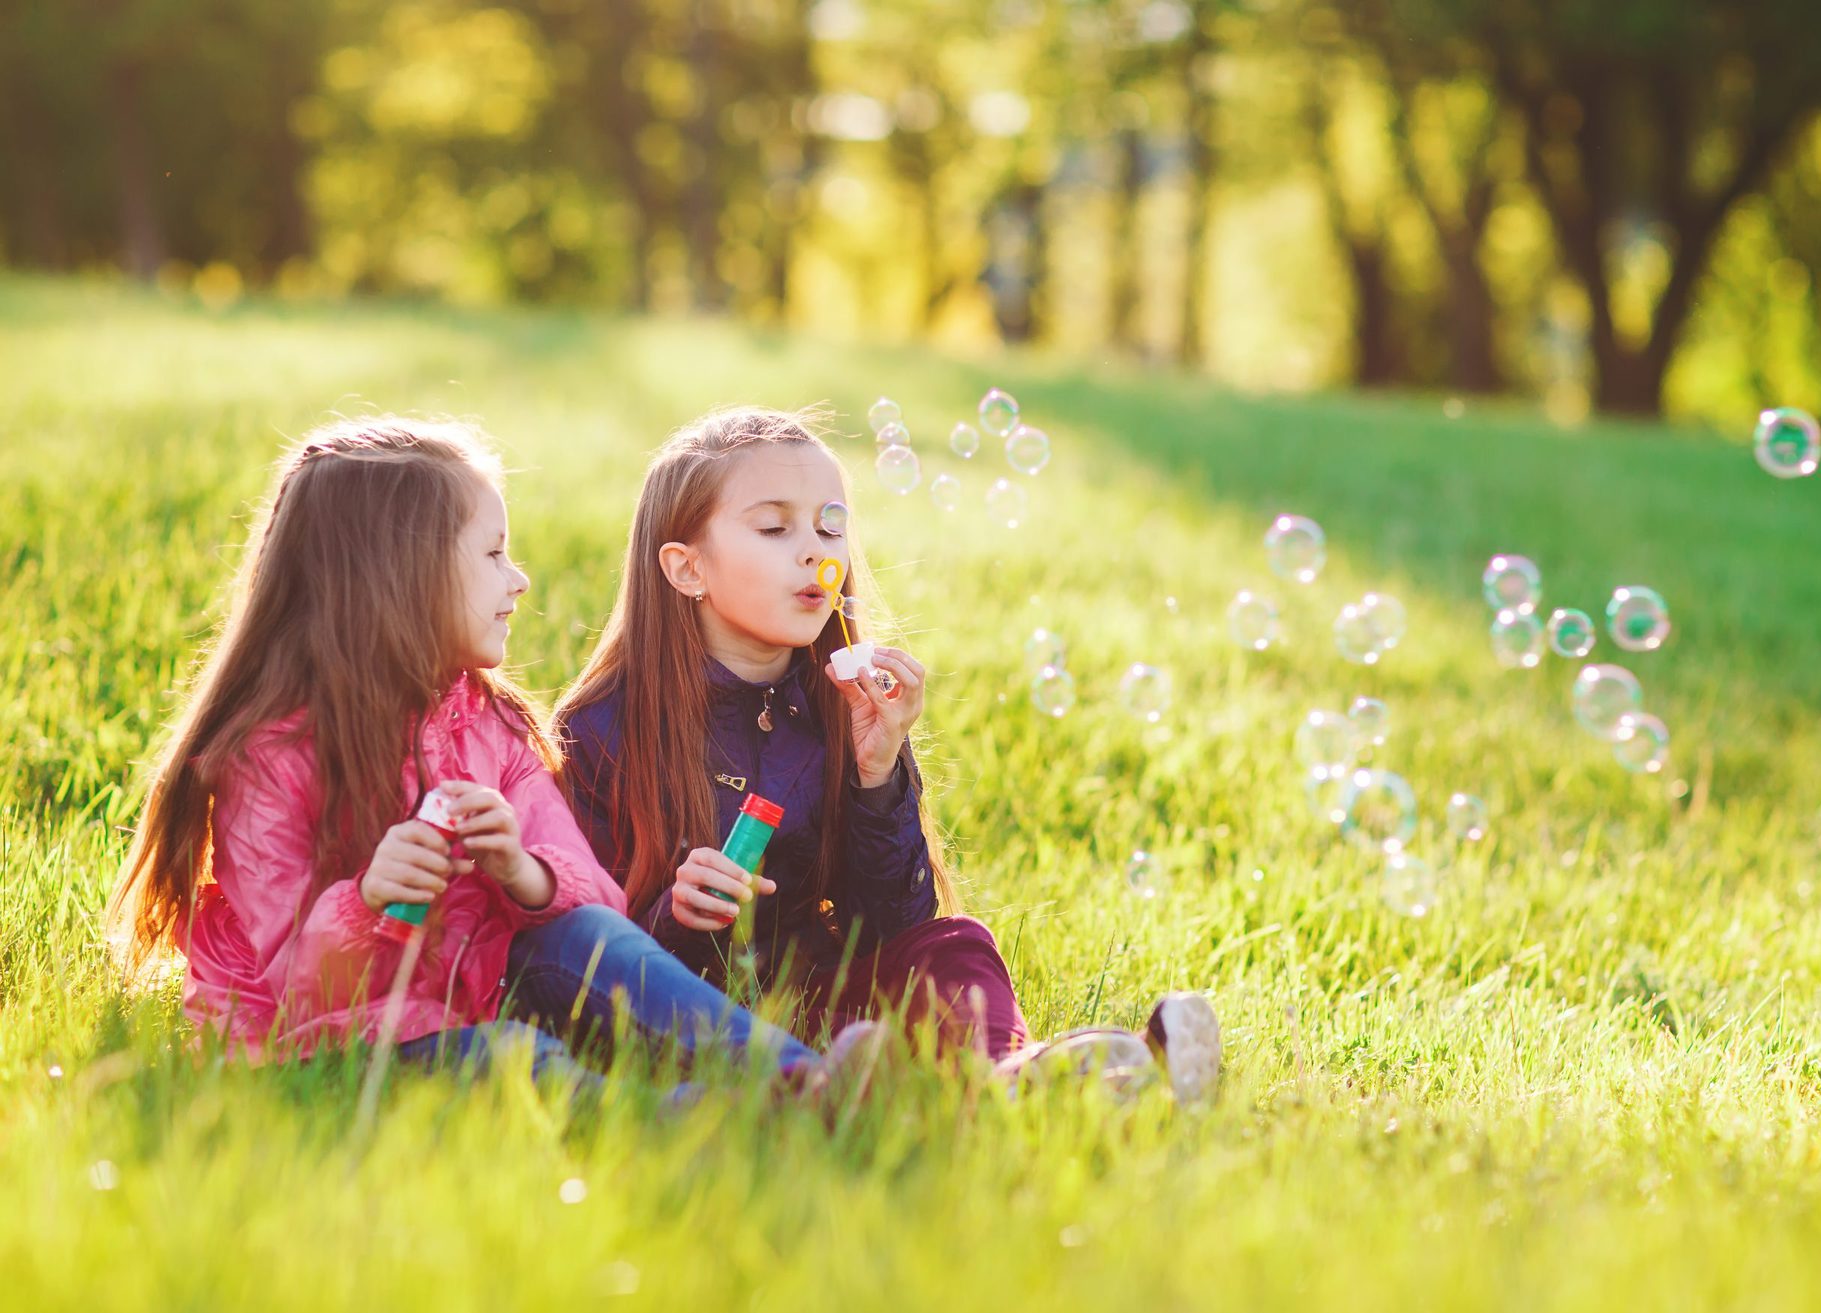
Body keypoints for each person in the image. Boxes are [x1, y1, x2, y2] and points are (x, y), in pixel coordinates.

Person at [106, 417, 876, 1104]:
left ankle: (803, 1080)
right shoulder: (268, 760)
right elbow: (293, 988)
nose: (520, 579)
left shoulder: (491, 725)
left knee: (581, 940)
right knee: (514, 1057)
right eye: (494, 554)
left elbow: (595, 900)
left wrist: (521, 868)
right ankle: (692, 1118)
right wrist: (368, 899)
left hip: (473, 989)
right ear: (394, 578)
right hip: (327, 1041)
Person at [553, 406, 1221, 1104]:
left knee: (956, 944)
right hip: (705, 1022)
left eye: (830, 524)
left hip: (832, 1007)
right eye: (776, 527)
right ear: (687, 568)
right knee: (854, 1045)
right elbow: (578, 957)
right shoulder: (603, 727)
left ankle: (1011, 1079)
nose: (816, 550)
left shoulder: (837, 702)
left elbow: (894, 923)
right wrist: (675, 917)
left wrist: (879, 774)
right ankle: (1059, 1082)